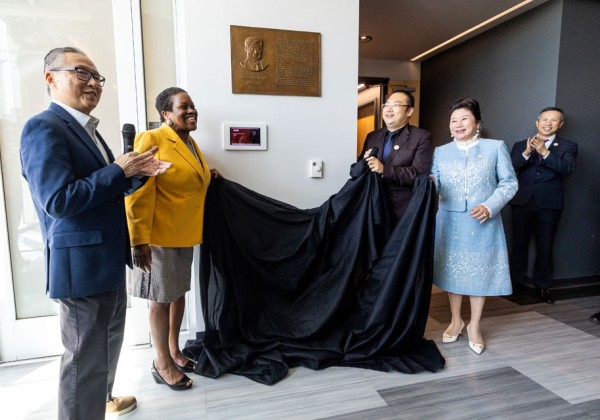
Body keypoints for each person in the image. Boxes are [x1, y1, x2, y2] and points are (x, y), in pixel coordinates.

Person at [20, 46, 170, 419]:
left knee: (106, 347)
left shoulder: (89, 131)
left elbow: (102, 191)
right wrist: (119, 170)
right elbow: (58, 200)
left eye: (97, 77)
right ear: (50, 78)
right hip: (80, 265)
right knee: (84, 360)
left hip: (107, 258)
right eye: (81, 73)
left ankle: (102, 401)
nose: (93, 83)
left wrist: (134, 176)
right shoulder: (43, 127)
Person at [125, 87, 220, 391]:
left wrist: (208, 174)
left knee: (178, 294)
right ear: (166, 114)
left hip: (185, 233)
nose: (192, 111)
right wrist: (138, 241)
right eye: (183, 107)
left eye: (193, 106)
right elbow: (138, 193)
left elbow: (185, 178)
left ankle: (175, 352)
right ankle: (161, 362)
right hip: (158, 236)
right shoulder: (151, 139)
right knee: (161, 299)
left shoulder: (190, 142)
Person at [431, 98, 517, 355]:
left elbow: (509, 183)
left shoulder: (495, 147)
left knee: (479, 274)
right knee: (453, 273)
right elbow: (434, 183)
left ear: (477, 123)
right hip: (449, 220)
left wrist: (490, 205)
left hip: (483, 220)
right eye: (453, 120)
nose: (458, 124)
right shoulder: (441, 151)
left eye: (464, 119)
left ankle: (474, 325)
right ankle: (456, 320)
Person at [509, 107, 578, 304]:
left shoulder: (569, 146)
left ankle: (543, 286)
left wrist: (545, 153)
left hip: (549, 204)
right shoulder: (520, 144)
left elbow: (567, 169)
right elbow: (510, 167)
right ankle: (514, 283)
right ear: (537, 122)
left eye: (553, 120)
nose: (548, 123)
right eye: (545, 119)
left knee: (545, 246)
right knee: (518, 245)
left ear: (560, 124)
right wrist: (526, 153)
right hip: (522, 202)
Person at [361, 89, 434, 225]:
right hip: (372, 206)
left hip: (402, 210)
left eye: (395, 105)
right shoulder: (372, 136)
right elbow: (360, 171)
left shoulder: (421, 137)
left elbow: (419, 173)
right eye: (386, 105)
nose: (389, 109)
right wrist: (364, 163)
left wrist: (384, 169)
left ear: (409, 111)